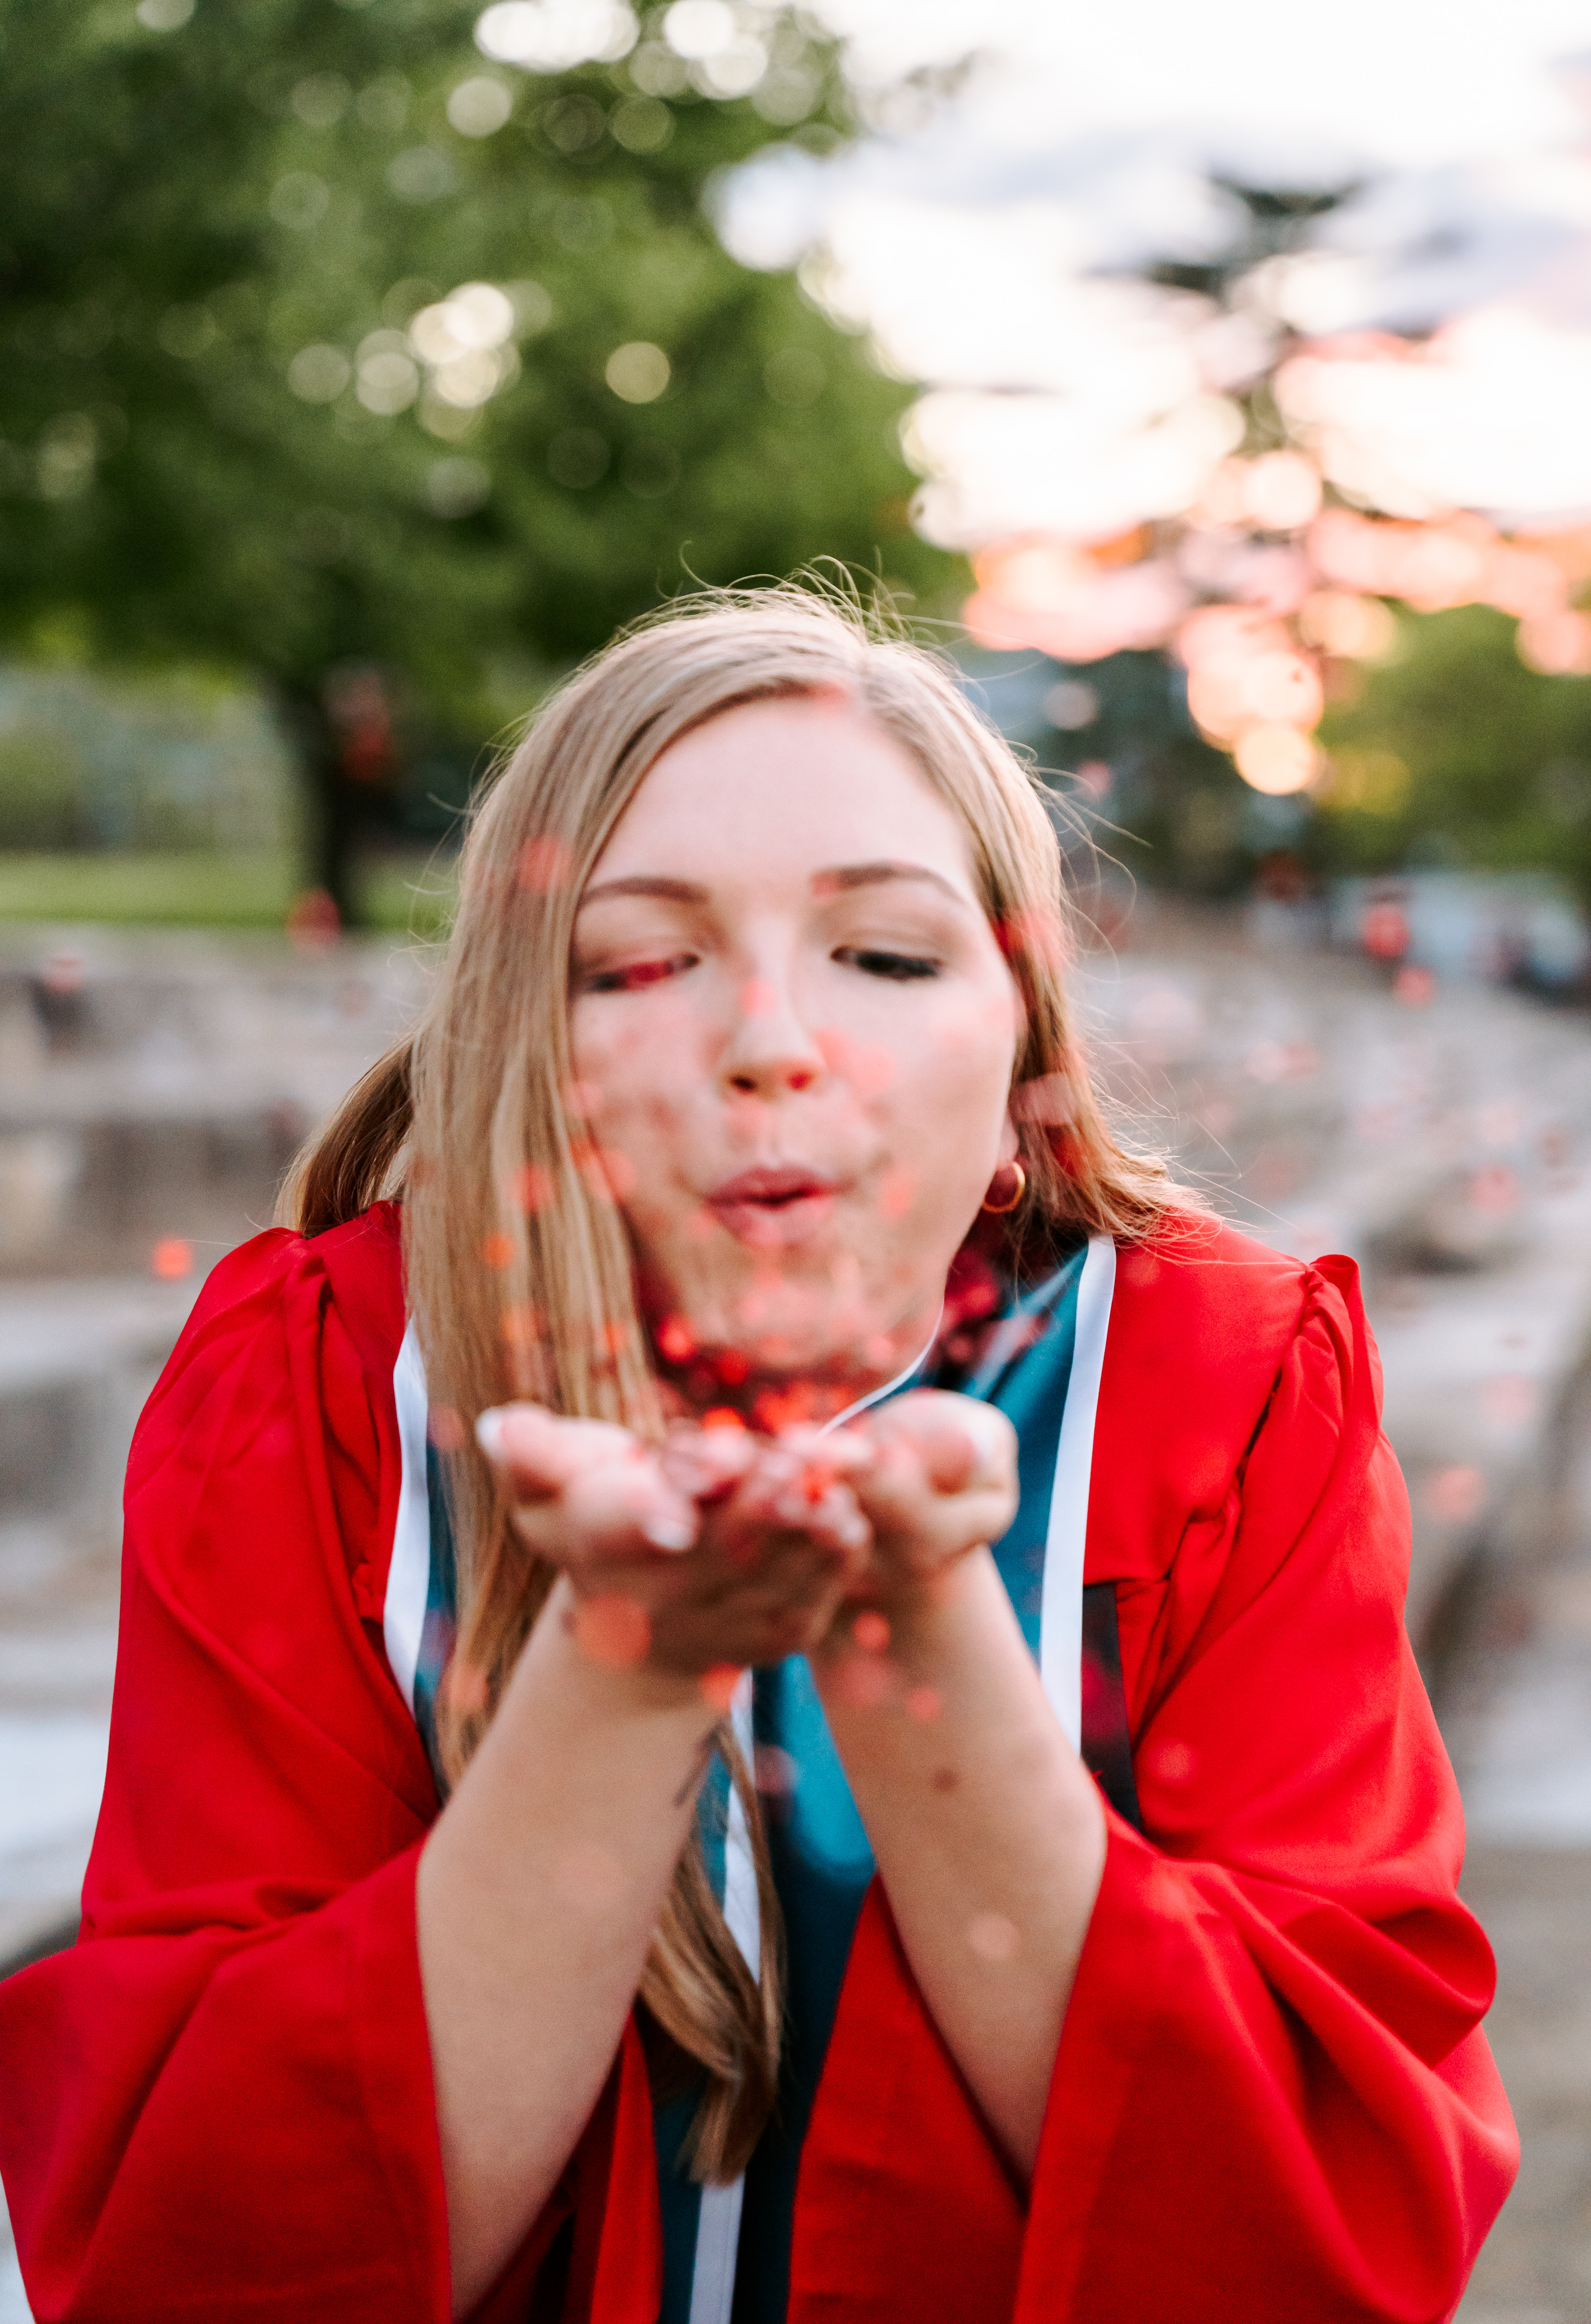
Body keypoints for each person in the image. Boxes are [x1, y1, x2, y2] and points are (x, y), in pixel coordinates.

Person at [0, 590, 1517, 2323]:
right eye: (641, 961)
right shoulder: (321, 1384)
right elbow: (194, 2268)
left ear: (1020, 1051)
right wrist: (623, 1675)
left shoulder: (1232, 1388)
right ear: (526, 1052)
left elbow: (1310, 2242)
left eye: (883, 954)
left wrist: (920, 1633)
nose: (771, 1043)